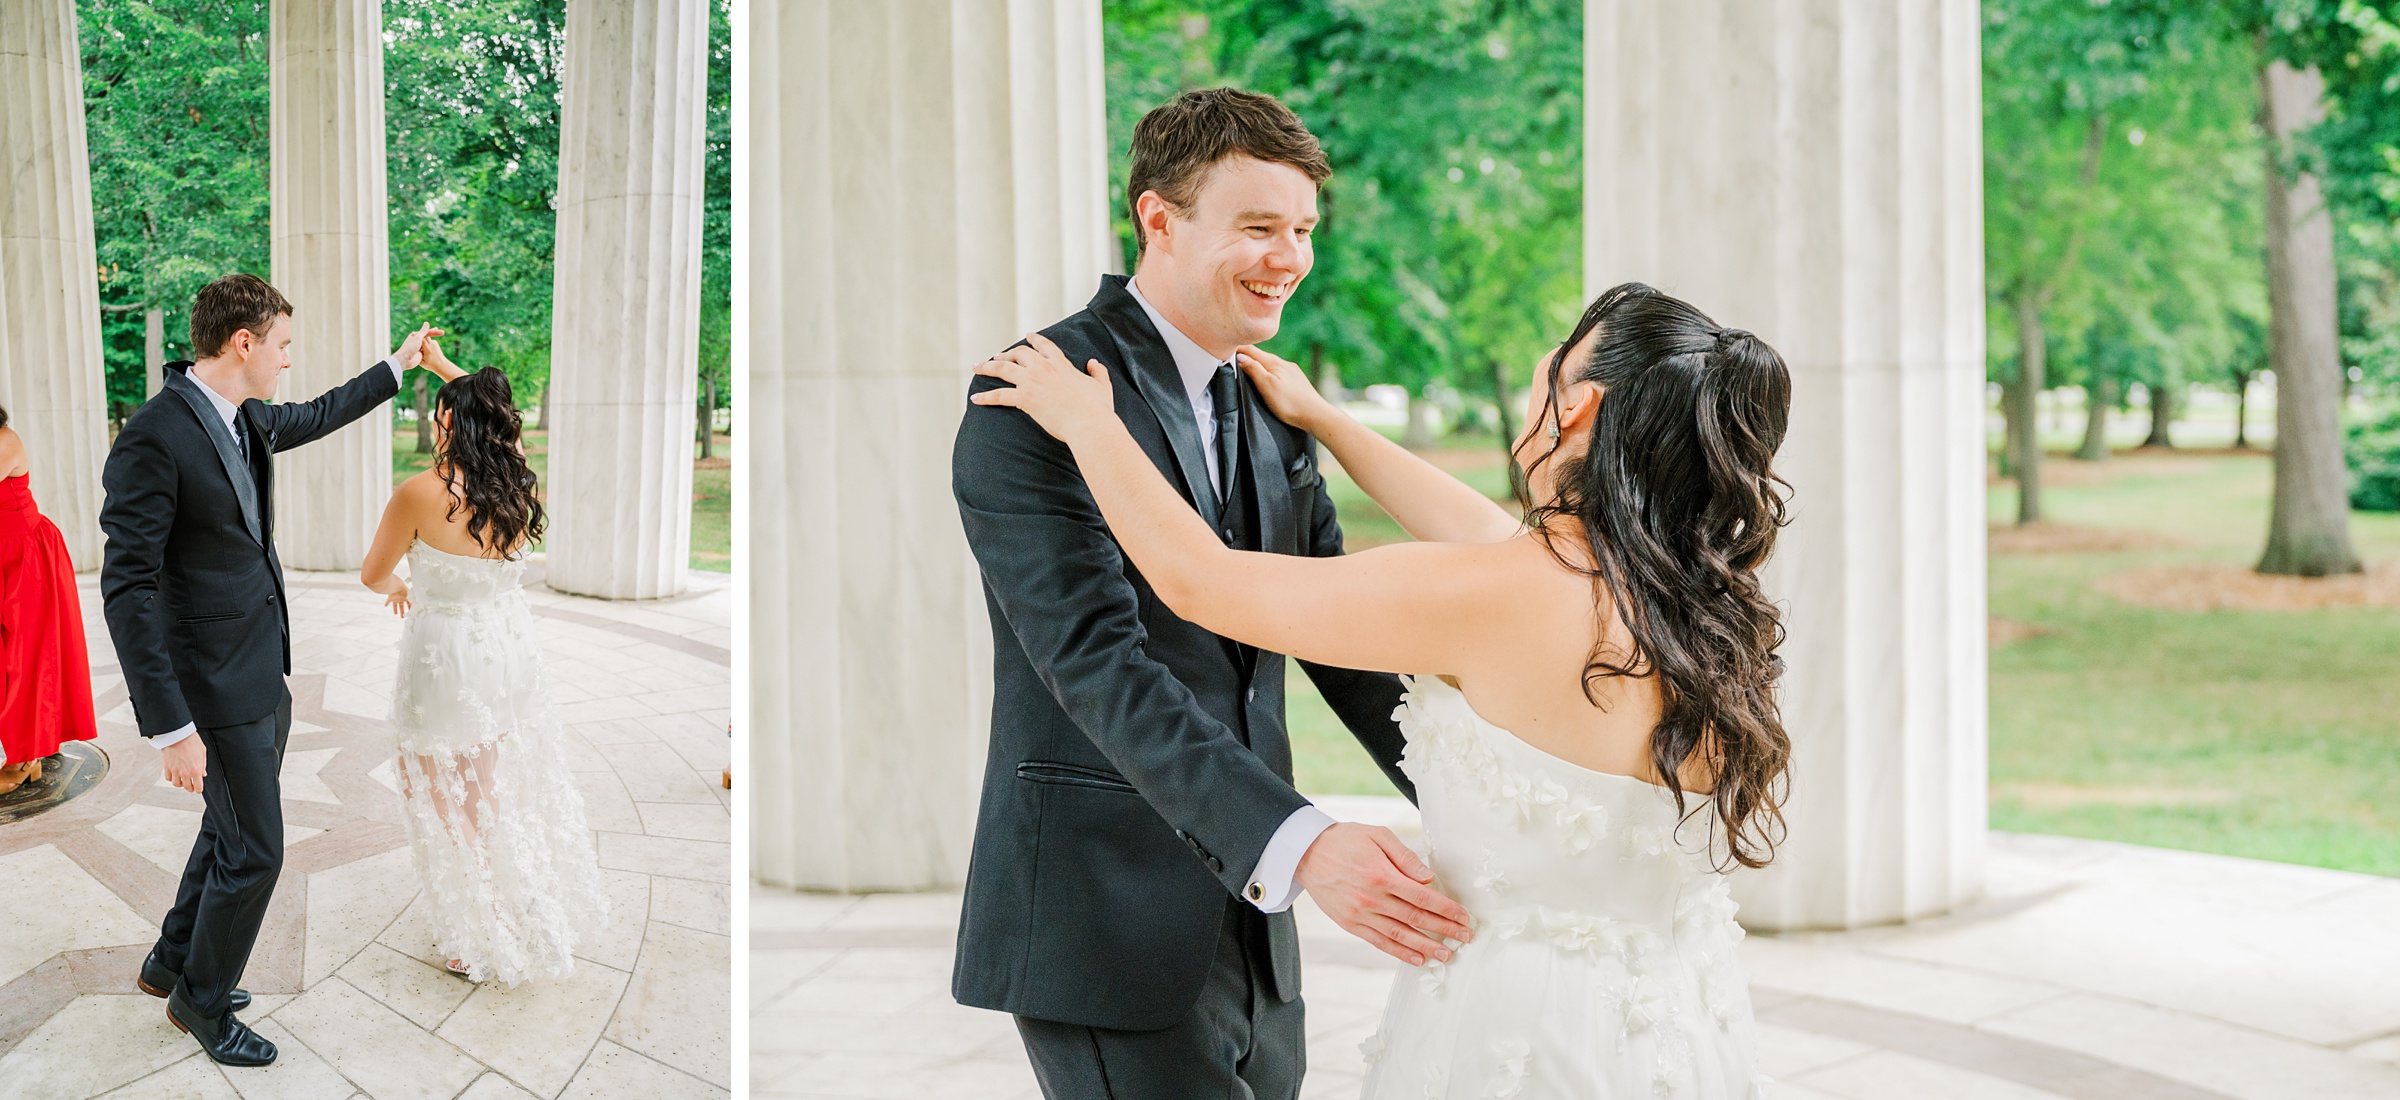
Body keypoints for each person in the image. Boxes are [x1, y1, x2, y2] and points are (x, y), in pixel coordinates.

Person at [972, 281, 1793, 1098]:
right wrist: (1328, 421)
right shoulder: (1692, 608)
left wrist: (1090, 427)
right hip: (1669, 1029)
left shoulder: (1492, 594)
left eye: (1553, 365)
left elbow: (1203, 582)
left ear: (1578, 402)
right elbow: (1484, 529)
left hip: (1514, 1027)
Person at [949, 87, 1469, 1100]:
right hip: (1103, 923)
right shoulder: (1028, 399)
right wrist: (1310, 843)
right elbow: (1098, 668)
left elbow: (1344, 637)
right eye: (1260, 227)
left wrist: (1483, 805)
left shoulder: (1276, 406)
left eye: (1304, 229)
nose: (1290, 257)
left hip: (1258, 924)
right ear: (1160, 219)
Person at [102, 273, 438, 1067]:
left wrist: (396, 365)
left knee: (230, 828)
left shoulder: (242, 413)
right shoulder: (155, 434)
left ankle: (171, 963)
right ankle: (202, 1001)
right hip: (210, 687)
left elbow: (315, 414)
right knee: (257, 849)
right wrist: (171, 726)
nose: (289, 361)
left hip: (261, 668)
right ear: (243, 342)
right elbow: (129, 588)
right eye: (282, 345)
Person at [359, 338, 607, 986]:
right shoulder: (515, 485)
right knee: (486, 787)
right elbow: (496, 407)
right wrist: (444, 370)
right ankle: (509, 902)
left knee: (441, 798)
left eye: (440, 412)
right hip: (506, 657)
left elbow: (373, 574)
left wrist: (402, 590)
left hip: (444, 658)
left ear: (448, 422)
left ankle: (474, 930)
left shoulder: (419, 492)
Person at [0, 407, 98, 795]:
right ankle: (29, 752)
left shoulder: (5, 440)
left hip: (26, 558)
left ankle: (26, 759)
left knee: (28, 659)